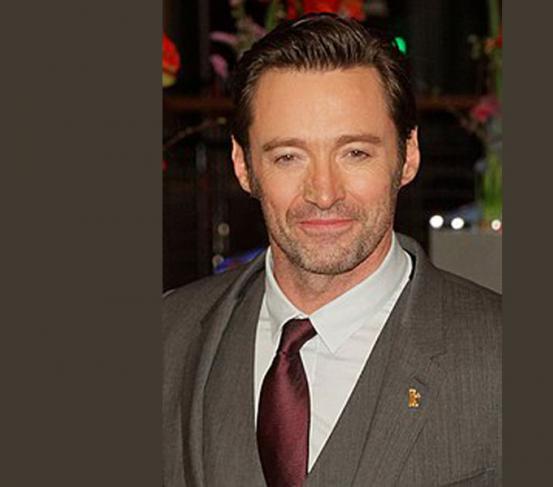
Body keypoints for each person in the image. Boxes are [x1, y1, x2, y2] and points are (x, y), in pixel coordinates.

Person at [163, 13, 501, 487]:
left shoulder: (499, 353)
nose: (323, 193)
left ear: (408, 156)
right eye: (288, 157)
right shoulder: (167, 339)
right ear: (243, 165)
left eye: (355, 153)